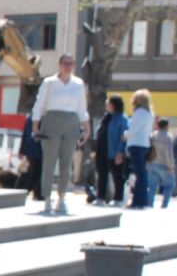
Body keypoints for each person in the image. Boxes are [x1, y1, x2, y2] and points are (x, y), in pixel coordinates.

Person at [30, 54, 90, 214]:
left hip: (71, 121)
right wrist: (35, 125)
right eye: (65, 63)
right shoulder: (49, 83)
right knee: (49, 161)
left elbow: (81, 108)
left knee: (67, 161)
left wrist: (86, 126)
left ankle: (62, 197)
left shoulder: (78, 84)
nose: (67, 66)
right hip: (52, 120)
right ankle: (47, 197)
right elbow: (39, 104)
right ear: (59, 65)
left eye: (71, 63)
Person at [93, 96, 127, 206]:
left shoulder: (122, 119)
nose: (106, 105)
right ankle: (100, 198)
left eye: (108, 103)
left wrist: (120, 151)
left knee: (117, 175)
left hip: (114, 151)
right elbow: (99, 134)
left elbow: (123, 137)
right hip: (102, 150)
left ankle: (118, 199)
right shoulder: (106, 118)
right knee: (102, 175)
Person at [124, 88, 155, 209]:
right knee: (142, 173)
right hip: (145, 144)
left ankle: (137, 200)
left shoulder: (139, 113)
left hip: (136, 144)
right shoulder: (149, 113)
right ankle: (142, 200)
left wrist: (125, 135)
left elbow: (133, 130)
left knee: (138, 174)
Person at [148, 118, 175, 208]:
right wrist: (171, 166)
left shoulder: (152, 135)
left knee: (152, 187)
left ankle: (149, 204)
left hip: (151, 163)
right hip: (163, 165)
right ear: (166, 126)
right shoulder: (168, 137)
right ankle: (164, 205)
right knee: (170, 185)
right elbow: (168, 152)